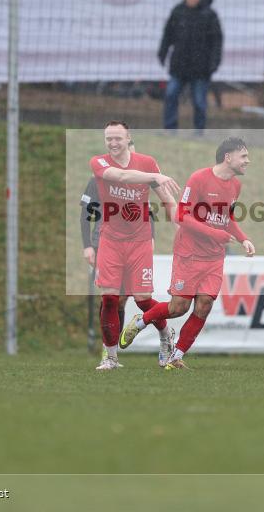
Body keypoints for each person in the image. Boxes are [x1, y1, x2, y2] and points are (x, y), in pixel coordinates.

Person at [119, 137, 256, 369]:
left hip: (214, 258)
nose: (248, 161)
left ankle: (176, 357)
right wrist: (215, 234)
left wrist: (244, 239)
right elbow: (181, 216)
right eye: (244, 156)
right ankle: (141, 321)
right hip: (189, 254)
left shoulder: (236, 186)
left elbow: (227, 218)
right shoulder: (199, 178)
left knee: (204, 306)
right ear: (228, 157)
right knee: (178, 308)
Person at [87, 121, 180, 371]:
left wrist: (180, 227)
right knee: (109, 299)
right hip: (110, 240)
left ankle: (165, 336)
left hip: (140, 241)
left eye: (118, 138)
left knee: (142, 301)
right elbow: (120, 176)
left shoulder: (147, 162)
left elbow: (166, 199)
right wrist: (154, 176)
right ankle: (110, 358)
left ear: (129, 138)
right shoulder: (100, 162)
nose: (113, 143)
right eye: (109, 139)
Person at [80, 142, 158, 366]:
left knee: (125, 299)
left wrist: (151, 238)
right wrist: (87, 246)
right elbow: (85, 214)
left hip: (135, 243)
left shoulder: (141, 180)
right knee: (111, 298)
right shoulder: (98, 179)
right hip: (104, 242)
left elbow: (147, 212)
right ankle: (108, 351)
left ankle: (113, 351)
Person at [158, 0, 223, 133]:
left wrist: (214, 62)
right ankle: (170, 129)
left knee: (200, 102)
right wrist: (162, 52)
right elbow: (168, 35)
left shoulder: (209, 15)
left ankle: (199, 131)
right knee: (170, 95)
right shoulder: (178, 12)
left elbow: (217, 41)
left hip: (201, 67)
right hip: (179, 66)